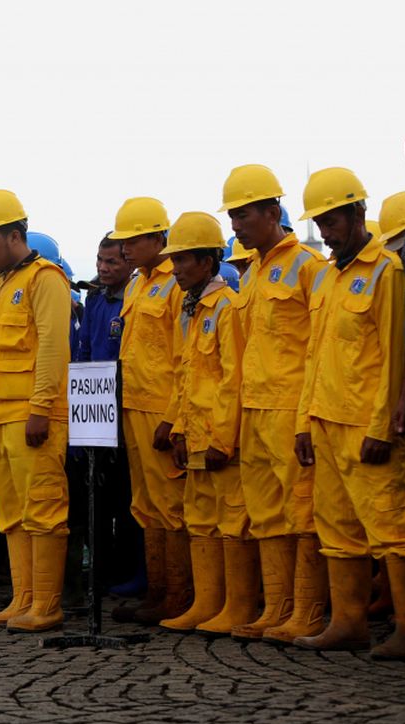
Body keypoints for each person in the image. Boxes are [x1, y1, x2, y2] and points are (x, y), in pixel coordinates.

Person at [294, 168, 405, 657]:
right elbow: (313, 357)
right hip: (325, 421)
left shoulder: (387, 271)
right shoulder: (326, 277)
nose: (326, 230)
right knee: (337, 530)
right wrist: (304, 421)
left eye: (334, 218)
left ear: (360, 213)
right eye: (320, 221)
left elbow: (395, 356)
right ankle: (348, 623)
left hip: (366, 425)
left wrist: (382, 425)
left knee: (391, 530)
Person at [218, 164, 331, 644]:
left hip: (291, 410)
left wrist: (307, 416)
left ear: (272, 211)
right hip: (256, 409)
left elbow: (320, 348)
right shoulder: (254, 273)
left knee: (302, 510)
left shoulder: (308, 264)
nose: (235, 225)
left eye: (243, 215)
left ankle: (307, 611)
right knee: (264, 512)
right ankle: (278, 609)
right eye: (233, 217)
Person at [0, 191, 72, 633]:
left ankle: (46, 604)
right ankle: (22, 599)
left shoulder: (46, 279)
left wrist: (41, 408)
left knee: (43, 508)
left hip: (32, 416)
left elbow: (52, 346)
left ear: (14, 234)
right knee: (11, 513)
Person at [155, 212, 251, 634]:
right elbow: (184, 373)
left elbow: (234, 378)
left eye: (184, 261)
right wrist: (177, 428)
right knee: (199, 518)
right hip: (193, 434)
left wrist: (222, 440)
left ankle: (237, 607)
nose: (175, 270)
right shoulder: (189, 311)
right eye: (173, 261)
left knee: (232, 519)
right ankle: (208, 603)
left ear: (209, 263)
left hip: (218, 439)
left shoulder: (226, 308)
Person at [106, 196, 190, 627]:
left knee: (171, 504)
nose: (125, 249)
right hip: (133, 407)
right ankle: (157, 592)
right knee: (146, 504)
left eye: (133, 241)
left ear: (158, 237)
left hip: (160, 410)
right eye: (123, 242)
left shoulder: (177, 283)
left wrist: (174, 417)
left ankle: (178, 595)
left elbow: (184, 355)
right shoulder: (137, 284)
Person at [74, 234, 145, 597]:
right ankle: (100, 571)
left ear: (129, 263)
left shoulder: (136, 298)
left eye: (112, 262)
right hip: (95, 411)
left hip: (128, 408)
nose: (103, 268)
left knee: (129, 500)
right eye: (100, 261)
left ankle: (134, 572)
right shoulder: (95, 298)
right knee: (97, 500)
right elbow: (85, 350)